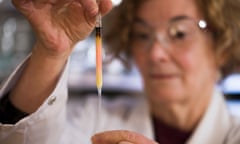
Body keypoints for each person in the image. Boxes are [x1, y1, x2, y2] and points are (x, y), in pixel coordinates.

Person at [1, 0, 240, 143]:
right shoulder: (94, 118)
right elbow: (28, 138)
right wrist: (52, 51)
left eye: (179, 33)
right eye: (142, 35)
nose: (155, 53)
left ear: (222, 46)